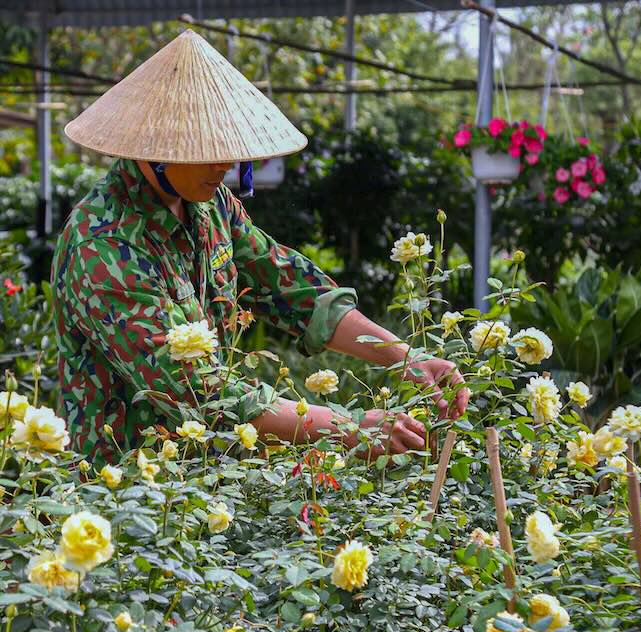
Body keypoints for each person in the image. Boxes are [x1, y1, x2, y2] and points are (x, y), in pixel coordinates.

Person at [51, 30, 468, 464]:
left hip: (210, 483)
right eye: (208, 149)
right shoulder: (102, 245)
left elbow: (291, 288)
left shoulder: (210, 206)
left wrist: (406, 358)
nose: (225, 163)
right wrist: (351, 428)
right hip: (128, 497)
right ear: (156, 146)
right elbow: (200, 389)